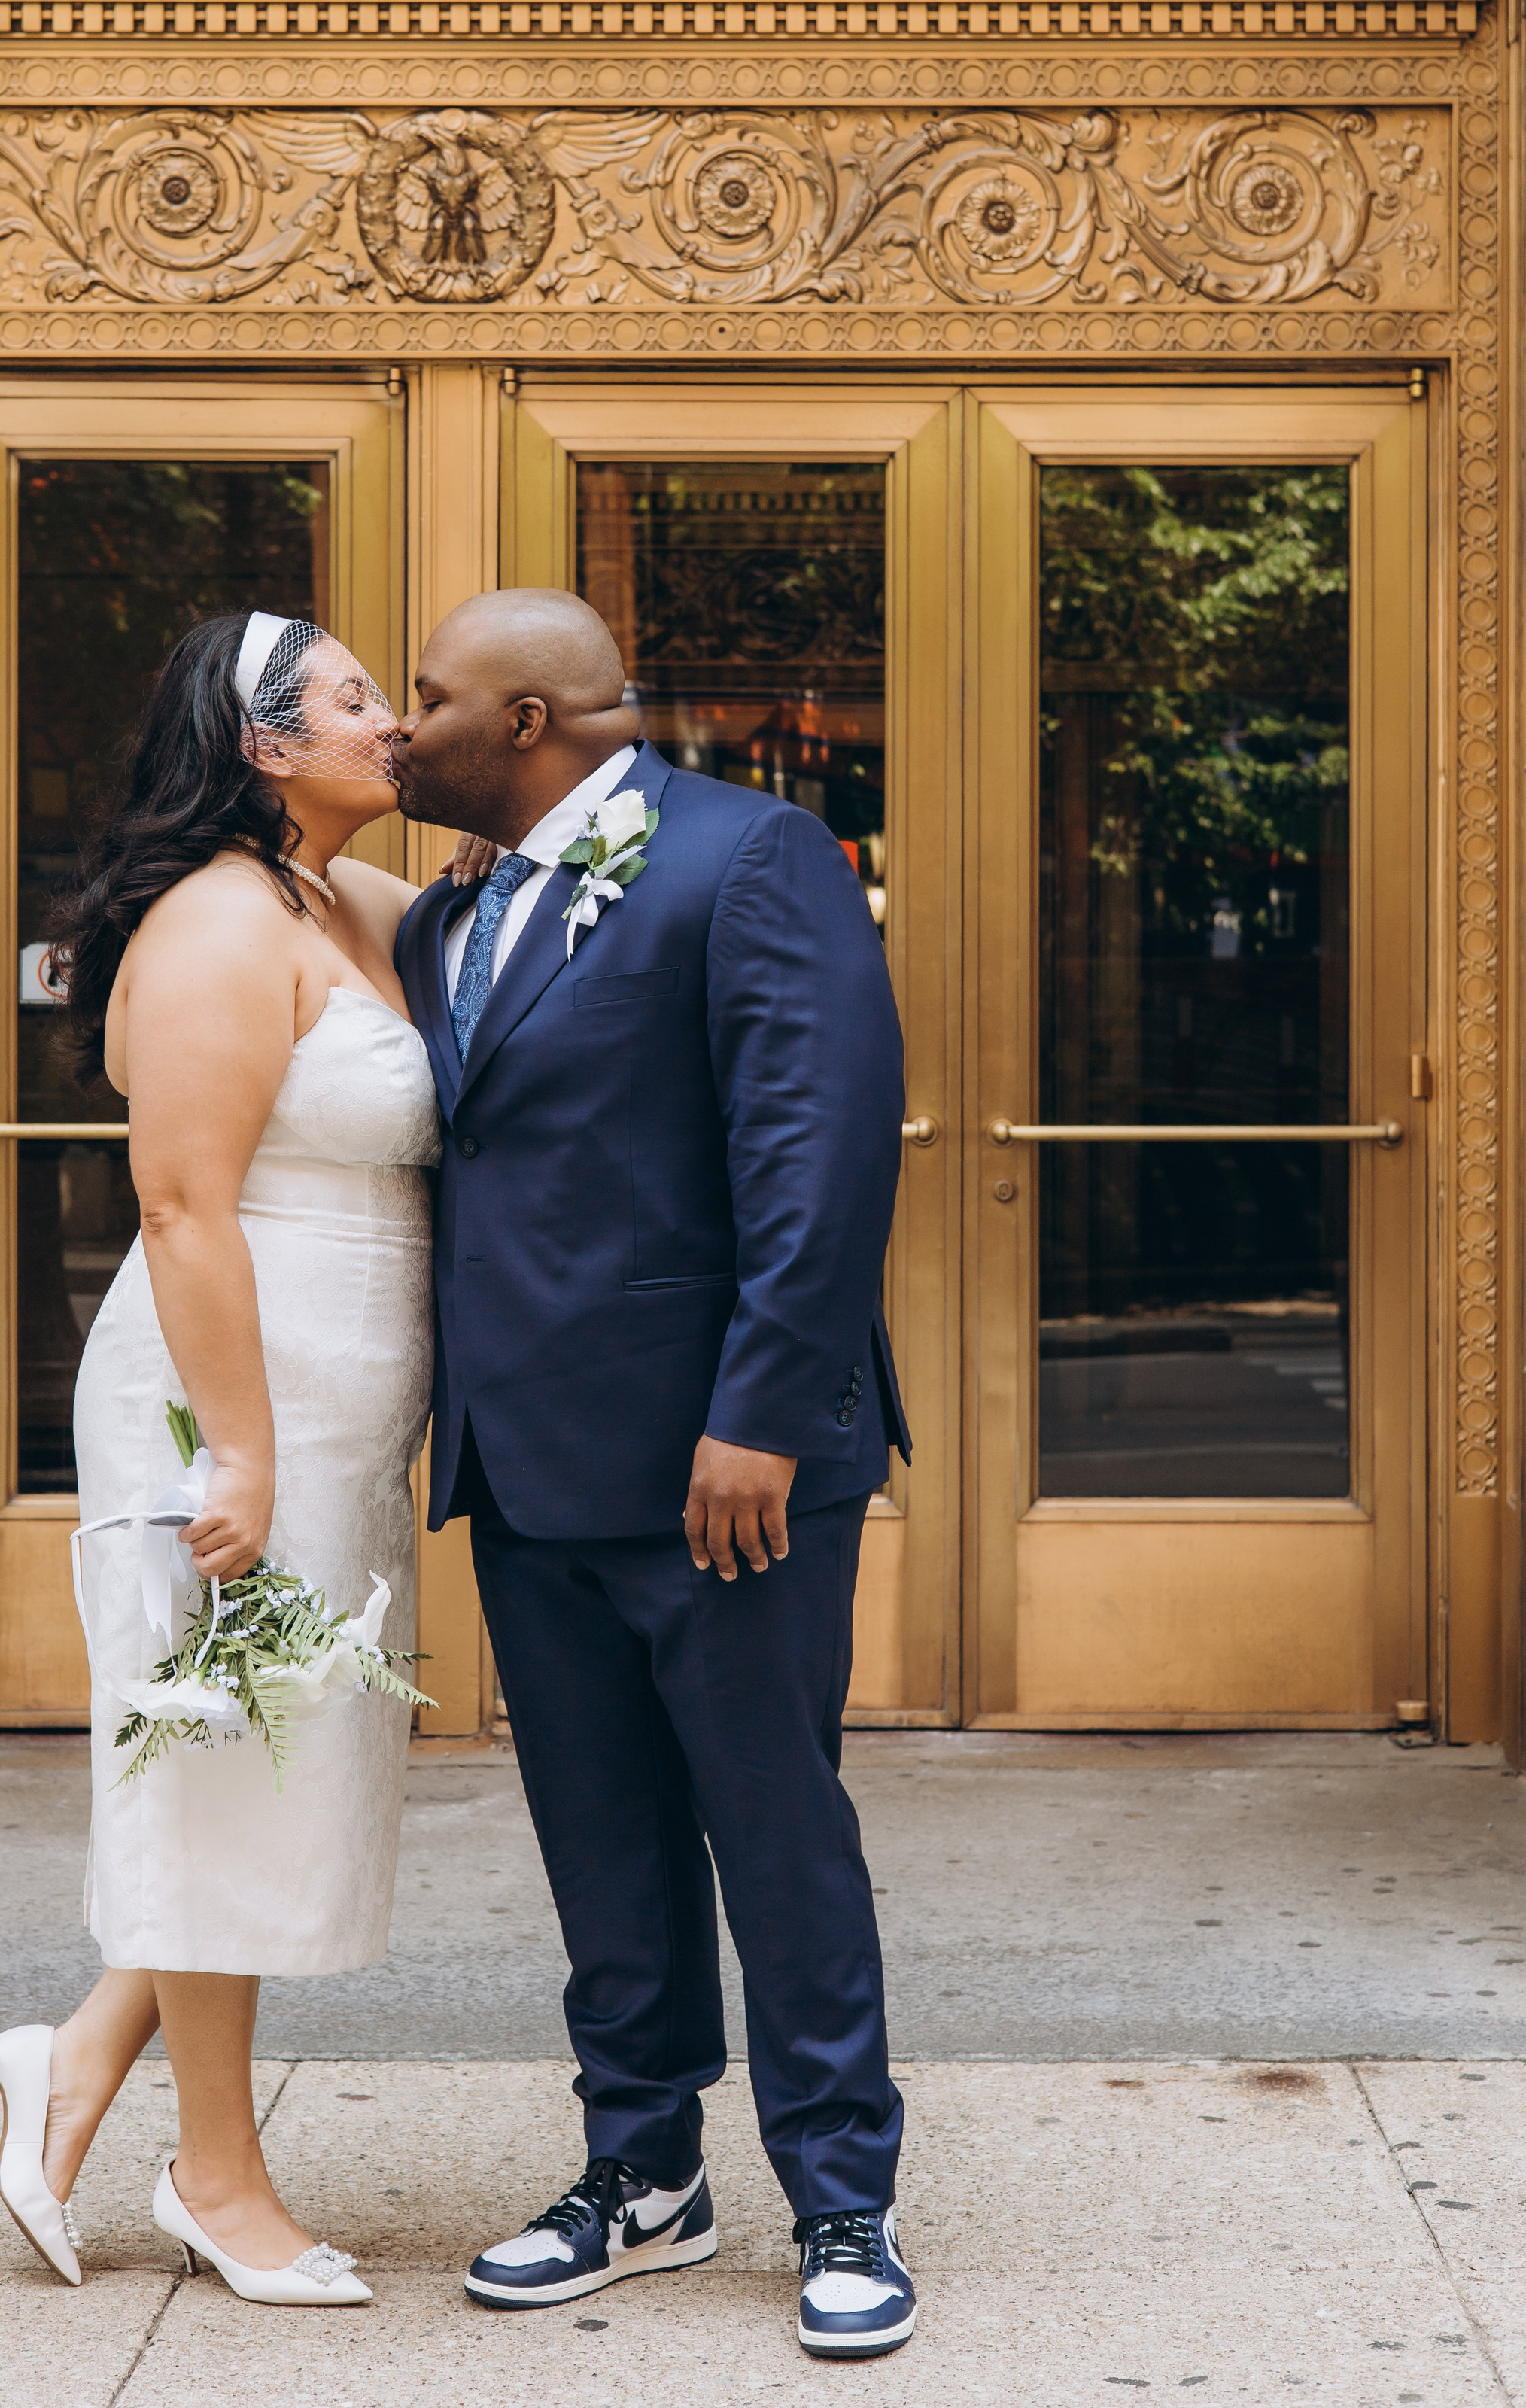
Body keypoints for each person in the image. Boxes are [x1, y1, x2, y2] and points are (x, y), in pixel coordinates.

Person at [391, 589, 917, 2361]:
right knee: (600, 1838)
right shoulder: (453, 916)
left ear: (528, 716)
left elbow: (818, 1151)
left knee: (774, 1833)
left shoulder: (749, 859)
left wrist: (758, 1411)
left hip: (724, 1471)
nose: (402, 726)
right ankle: (642, 2175)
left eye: (429, 697)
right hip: (527, 1465)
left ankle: (841, 2193)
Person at [0, 611, 439, 2308]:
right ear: (261, 744)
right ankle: (214, 2177)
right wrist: (235, 1447)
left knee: (257, 1764)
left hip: (346, 1402)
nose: (396, 724)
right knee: (222, 1766)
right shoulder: (217, 926)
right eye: (360, 700)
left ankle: (73, 2062)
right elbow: (180, 1204)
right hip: (219, 1403)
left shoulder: (345, 901)